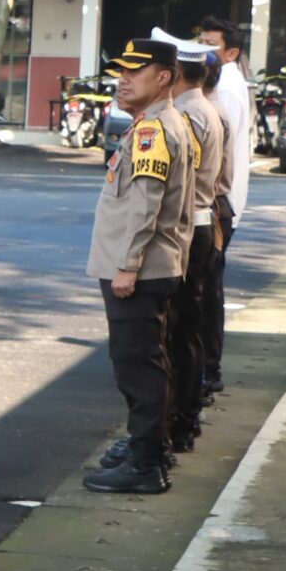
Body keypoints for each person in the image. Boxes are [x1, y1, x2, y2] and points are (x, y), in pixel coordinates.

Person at [83, 40, 193, 496]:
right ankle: (148, 448)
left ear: (163, 77)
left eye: (135, 72)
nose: (122, 80)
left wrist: (127, 265)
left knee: (138, 367)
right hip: (147, 266)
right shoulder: (153, 124)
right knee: (148, 361)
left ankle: (146, 463)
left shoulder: (153, 130)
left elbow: (146, 203)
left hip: (140, 269)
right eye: (120, 72)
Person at [161, 44, 227, 454]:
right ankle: (184, 418)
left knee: (178, 333)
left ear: (174, 74)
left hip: (192, 226)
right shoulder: (206, 109)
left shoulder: (188, 115)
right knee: (188, 329)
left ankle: (178, 423)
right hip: (204, 223)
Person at [195, 17, 251, 394]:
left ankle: (206, 371)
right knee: (205, 288)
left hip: (218, 203)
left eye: (209, 43)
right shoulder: (224, 80)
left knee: (205, 290)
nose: (201, 47)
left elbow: (218, 152)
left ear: (231, 53)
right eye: (199, 39)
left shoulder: (226, 84)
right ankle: (203, 369)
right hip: (222, 201)